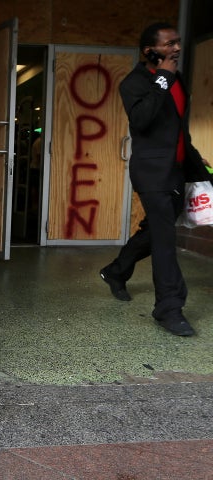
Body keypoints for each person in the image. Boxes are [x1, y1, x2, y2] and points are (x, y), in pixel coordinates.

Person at [100, 23, 210, 336]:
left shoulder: (176, 80)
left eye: (178, 42)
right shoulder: (134, 83)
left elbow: (176, 127)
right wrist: (163, 77)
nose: (176, 48)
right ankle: (169, 309)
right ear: (149, 50)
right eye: (169, 44)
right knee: (165, 240)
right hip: (151, 173)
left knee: (156, 231)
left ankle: (116, 271)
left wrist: (191, 154)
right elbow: (142, 120)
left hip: (177, 168)